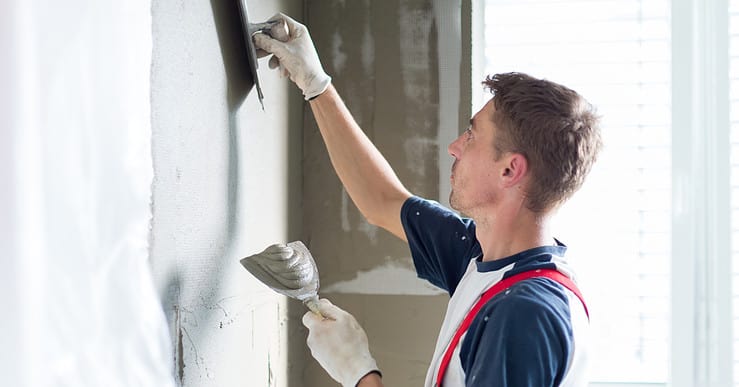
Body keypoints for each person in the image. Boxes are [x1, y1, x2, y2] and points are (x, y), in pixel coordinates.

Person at [254, 13, 602, 387]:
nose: (454, 147)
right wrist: (315, 83)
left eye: (472, 135)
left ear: (509, 170)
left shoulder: (523, 315)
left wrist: (360, 374)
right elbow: (383, 200)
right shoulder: (485, 255)